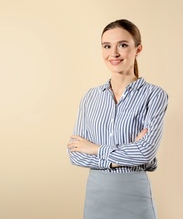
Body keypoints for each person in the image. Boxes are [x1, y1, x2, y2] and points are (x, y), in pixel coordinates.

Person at [67, 19, 168, 219]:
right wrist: (125, 156)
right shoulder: (91, 97)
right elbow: (75, 154)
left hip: (133, 193)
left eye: (122, 45)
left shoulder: (154, 95)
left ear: (138, 49)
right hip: (97, 195)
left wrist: (96, 149)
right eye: (107, 46)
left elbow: (145, 153)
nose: (113, 53)